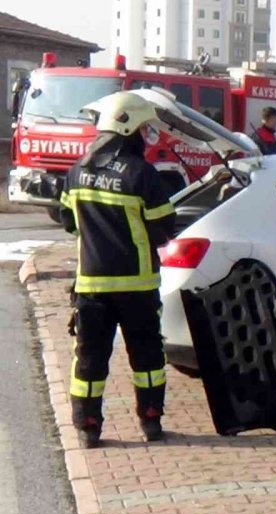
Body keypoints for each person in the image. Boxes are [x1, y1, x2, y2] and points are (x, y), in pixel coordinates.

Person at [60, 92, 177, 448]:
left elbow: (69, 222)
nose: (145, 135)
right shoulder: (142, 174)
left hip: (92, 284)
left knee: (90, 359)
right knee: (147, 358)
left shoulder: (78, 171)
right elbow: (164, 229)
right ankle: (151, 421)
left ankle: (88, 426)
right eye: (143, 128)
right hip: (137, 286)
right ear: (128, 128)